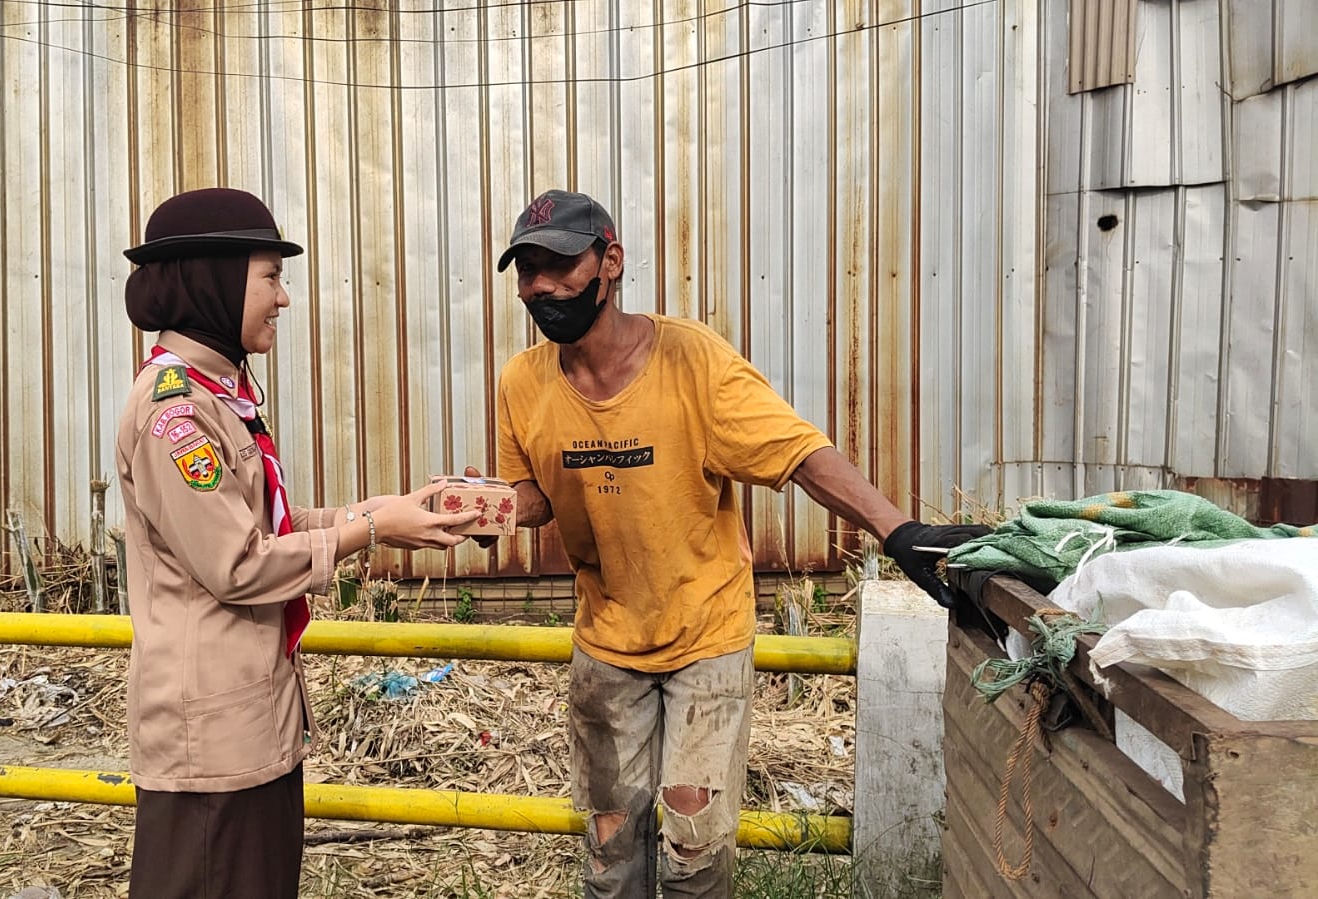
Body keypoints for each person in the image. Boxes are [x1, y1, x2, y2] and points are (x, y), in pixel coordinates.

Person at [476, 189, 985, 897]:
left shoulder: (691, 362)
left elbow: (798, 451)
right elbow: (531, 495)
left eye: (558, 264)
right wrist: (486, 509)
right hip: (607, 637)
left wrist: (895, 529)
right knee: (609, 844)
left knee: (691, 843)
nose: (540, 286)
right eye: (526, 269)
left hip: (705, 634)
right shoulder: (522, 382)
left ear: (610, 261)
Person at [115, 187, 478, 899]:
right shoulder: (175, 415)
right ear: (212, 281)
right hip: (211, 739)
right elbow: (239, 564)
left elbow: (261, 525)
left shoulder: (217, 395)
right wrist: (369, 532)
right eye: (270, 277)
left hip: (249, 724)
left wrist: (376, 509)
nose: (282, 299)